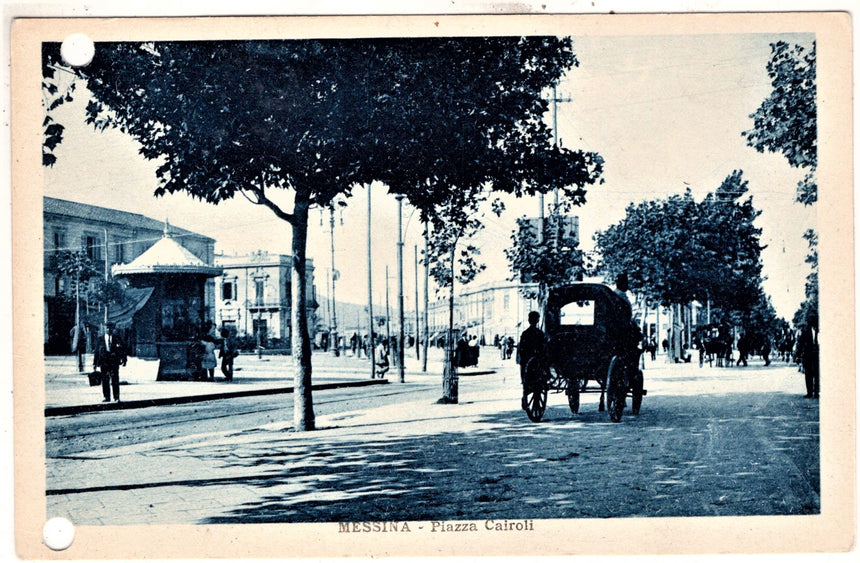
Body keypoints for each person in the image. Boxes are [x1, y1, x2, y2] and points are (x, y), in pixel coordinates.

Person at [517, 311, 547, 409]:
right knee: (544, 369)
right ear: (538, 320)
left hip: (526, 361)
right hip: (538, 361)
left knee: (526, 378)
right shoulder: (540, 333)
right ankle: (545, 381)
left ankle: (525, 392)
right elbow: (544, 348)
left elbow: (521, 348)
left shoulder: (525, 333)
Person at [94, 322, 127, 403]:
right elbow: (96, 351)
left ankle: (116, 397)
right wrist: (95, 362)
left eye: (110, 328)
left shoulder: (117, 338)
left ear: (113, 329)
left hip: (114, 361)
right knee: (105, 380)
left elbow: (123, 349)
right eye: (107, 327)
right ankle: (106, 397)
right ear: (105, 328)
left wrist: (124, 359)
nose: (109, 329)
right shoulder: (100, 338)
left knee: (115, 379)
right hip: (104, 361)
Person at [796, 321, 819, 398]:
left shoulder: (820, 331)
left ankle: (816, 392)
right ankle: (809, 392)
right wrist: (798, 356)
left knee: (817, 374)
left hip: (817, 355)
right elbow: (800, 344)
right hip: (808, 355)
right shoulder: (805, 332)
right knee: (808, 373)